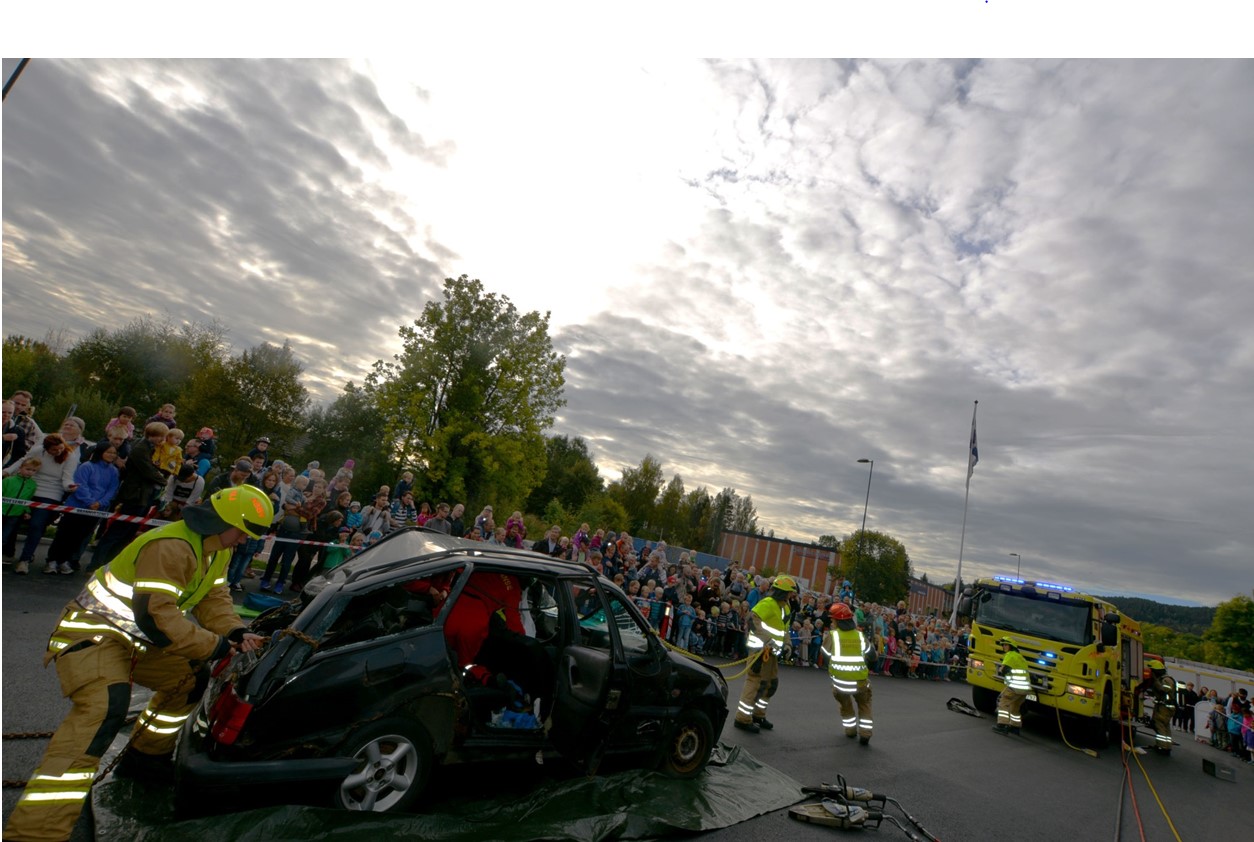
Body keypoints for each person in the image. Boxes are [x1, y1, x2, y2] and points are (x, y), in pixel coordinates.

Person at [3, 486, 273, 842]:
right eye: (242, 532)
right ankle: (35, 832)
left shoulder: (215, 550)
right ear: (222, 522)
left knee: (189, 680)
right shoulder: (171, 547)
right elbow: (157, 618)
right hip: (95, 636)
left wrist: (235, 631)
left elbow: (214, 599)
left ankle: (146, 757)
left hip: (141, 642)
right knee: (103, 709)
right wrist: (218, 645)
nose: (242, 542)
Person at [4, 434, 81, 575]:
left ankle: (24, 560)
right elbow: (23, 461)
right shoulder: (37, 450)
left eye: (60, 448)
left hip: (51, 493)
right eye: (54, 450)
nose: (58, 452)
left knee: (36, 525)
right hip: (30, 488)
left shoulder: (70, 456)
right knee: (13, 520)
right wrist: (7, 471)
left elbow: (67, 477)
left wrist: (70, 486)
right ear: (46, 449)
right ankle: (8, 553)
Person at [44, 444, 122, 574]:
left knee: (79, 537)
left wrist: (100, 503)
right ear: (101, 452)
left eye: (114, 453)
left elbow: (112, 489)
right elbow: (80, 485)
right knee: (64, 535)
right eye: (109, 452)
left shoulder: (114, 471)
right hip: (77, 507)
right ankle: (52, 561)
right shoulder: (87, 466)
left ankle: (64, 561)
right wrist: (90, 501)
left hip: (96, 510)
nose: (111, 455)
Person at [734, 574, 796, 734]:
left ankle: (758, 715)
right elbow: (751, 620)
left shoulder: (785, 607)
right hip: (760, 651)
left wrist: (788, 645)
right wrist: (768, 640)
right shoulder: (768, 603)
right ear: (784, 592)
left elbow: (784, 629)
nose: (792, 595)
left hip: (772, 652)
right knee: (754, 682)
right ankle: (742, 718)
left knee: (770, 684)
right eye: (790, 592)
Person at [824, 602, 874, 744]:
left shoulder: (832, 635)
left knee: (845, 705)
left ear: (837, 620)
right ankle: (865, 734)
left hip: (839, 682)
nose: (831, 622)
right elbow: (873, 655)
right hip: (860, 681)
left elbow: (825, 654)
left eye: (832, 619)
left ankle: (850, 730)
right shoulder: (859, 636)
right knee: (864, 704)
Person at [3, 456, 42, 568]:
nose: (30, 472)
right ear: (21, 468)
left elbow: (28, 500)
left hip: (14, 515)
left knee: (4, 537)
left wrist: (27, 511)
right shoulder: (8, 480)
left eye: (33, 470)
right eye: (28, 469)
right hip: (2, 510)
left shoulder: (32, 485)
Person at [1133, 659, 1177, 755]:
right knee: (1165, 727)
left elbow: (1163, 690)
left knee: (1159, 725)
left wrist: (1156, 681)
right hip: (1165, 707)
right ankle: (1166, 747)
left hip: (1164, 708)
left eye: (1152, 671)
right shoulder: (1165, 679)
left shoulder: (1166, 680)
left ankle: (1162, 747)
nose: (1151, 673)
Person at [992, 636, 1032, 736]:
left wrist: (1001, 670)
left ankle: (1002, 725)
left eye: (1006, 645)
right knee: (1015, 706)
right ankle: (1015, 727)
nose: (1004, 647)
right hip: (1025, 688)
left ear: (1011, 646)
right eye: (1003, 645)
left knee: (1003, 703)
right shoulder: (1021, 657)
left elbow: (1004, 669)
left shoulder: (1010, 655)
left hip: (1015, 686)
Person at [2, 399, 31, 469]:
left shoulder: (18, 431)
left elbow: (18, 455)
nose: (6, 415)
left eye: (10, 413)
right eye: (3, 412)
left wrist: (7, 469)